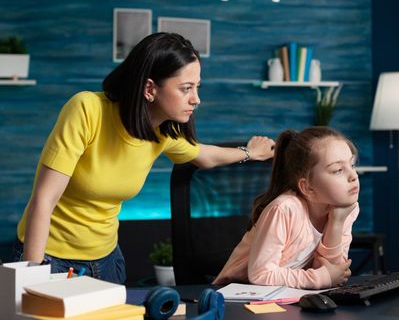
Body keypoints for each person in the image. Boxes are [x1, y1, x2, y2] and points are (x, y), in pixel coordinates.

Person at [13, 32, 275, 284]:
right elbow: (44, 200)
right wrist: (34, 279)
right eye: (186, 88)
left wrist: (250, 152)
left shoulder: (162, 134)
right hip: (51, 259)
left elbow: (205, 156)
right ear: (150, 88)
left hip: (106, 261)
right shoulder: (86, 110)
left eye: (197, 87)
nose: (196, 99)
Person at [213, 126, 359, 290]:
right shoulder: (284, 209)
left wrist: (336, 223)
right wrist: (322, 277)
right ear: (308, 188)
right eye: (338, 170)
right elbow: (260, 274)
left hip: (286, 295)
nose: (353, 176)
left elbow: (332, 274)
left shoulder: (346, 210)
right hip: (238, 295)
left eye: (352, 165)